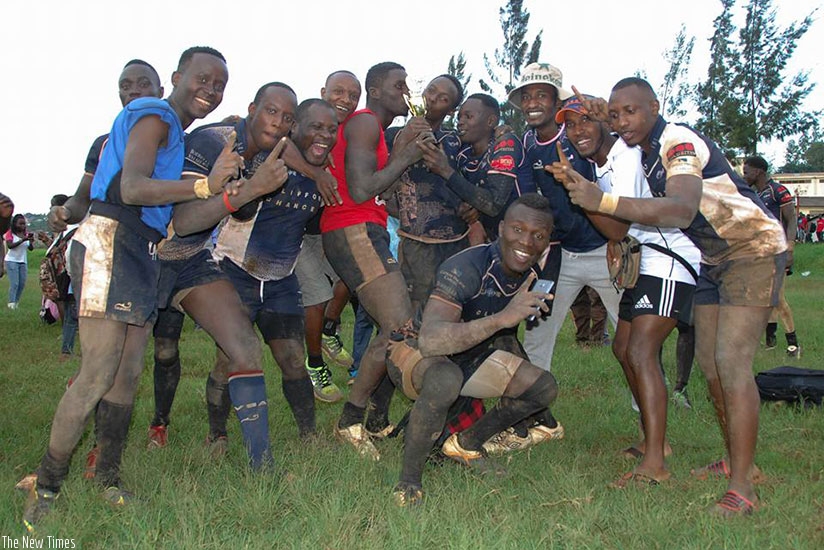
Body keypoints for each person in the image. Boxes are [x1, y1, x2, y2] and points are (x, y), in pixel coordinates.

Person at [24, 46, 240, 531]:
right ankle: (48, 487)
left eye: (220, 83)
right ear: (176, 78)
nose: (210, 89)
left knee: (127, 375)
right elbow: (133, 189)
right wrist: (205, 187)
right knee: (98, 373)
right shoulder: (154, 113)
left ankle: (109, 479)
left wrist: (227, 191)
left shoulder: (176, 136)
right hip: (111, 241)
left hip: (143, 250)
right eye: (202, 78)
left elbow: (170, 213)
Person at [551, 77, 786, 516]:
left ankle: (743, 487)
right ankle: (739, 463)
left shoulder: (677, 142)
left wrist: (600, 200)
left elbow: (680, 211)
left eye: (631, 112)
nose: (623, 121)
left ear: (655, 106)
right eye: (617, 114)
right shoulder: (642, 153)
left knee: (732, 366)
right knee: (711, 365)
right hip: (715, 258)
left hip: (752, 249)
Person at [554, 93, 700, 486]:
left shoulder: (624, 157)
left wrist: (584, 197)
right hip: (648, 260)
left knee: (640, 351)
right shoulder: (605, 164)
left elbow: (617, 226)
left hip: (671, 258)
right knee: (623, 348)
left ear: (606, 123)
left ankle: (656, 461)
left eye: (585, 120)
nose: (577, 131)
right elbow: (622, 230)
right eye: (570, 124)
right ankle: (653, 441)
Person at [386, 194, 559, 505]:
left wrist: (531, 406)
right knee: (445, 378)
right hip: (415, 353)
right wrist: (503, 318)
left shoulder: (531, 274)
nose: (527, 241)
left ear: (547, 242)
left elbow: (505, 338)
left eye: (539, 235)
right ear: (502, 228)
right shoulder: (467, 266)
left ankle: (466, 444)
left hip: (470, 356)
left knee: (543, 387)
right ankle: (409, 481)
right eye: (518, 230)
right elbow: (432, 341)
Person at [208, 95, 340, 443]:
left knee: (294, 359)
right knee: (228, 360)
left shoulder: (325, 178)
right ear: (295, 126)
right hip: (235, 272)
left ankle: (309, 435)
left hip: (280, 280)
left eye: (332, 129)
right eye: (315, 127)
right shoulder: (268, 158)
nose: (324, 135)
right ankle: (217, 436)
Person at [320, 61, 429, 459]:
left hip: (365, 230)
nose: (407, 91)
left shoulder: (375, 130)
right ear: (376, 90)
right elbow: (364, 188)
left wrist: (401, 154)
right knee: (398, 325)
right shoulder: (365, 122)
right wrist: (407, 157)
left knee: (398, 325)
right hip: (354, 229)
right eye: (399, 85)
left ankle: (377, 417)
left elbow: (378, 187)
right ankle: (351, 421)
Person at [294, 70, 363, 402]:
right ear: (323, 91)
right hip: (290, 235)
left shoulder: (345, 133)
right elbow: (284, 148)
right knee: (317, 295)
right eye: (339, 91)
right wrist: (315, 172)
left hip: (322, 228)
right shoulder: (306, 124)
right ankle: (315, 362)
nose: (345, 100)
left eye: (353, 95)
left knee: (351, 273)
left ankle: (329, 329)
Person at [743, 156, 801, 358]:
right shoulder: (753, 194)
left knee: (777, 298)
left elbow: (791, 219)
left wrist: (790, 247)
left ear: (758, 171)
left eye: (747, 171)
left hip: (778, 251)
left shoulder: (777, 191)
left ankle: (793, 344)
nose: (744, 175)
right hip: (760, 253)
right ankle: (770, 342)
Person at [4, 214, 34, 309]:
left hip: (22, 261)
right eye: (20, 224)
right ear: (15, 224)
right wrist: (22, 240)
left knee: (22, 283)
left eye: (24, 224)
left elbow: (30, 248)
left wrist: (31, 241)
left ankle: (16, 303)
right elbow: (10, 246)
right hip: (11, 260)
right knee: (15, 283)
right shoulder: (10, 233)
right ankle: (11, 303)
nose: (23, 226)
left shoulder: (25, 234)